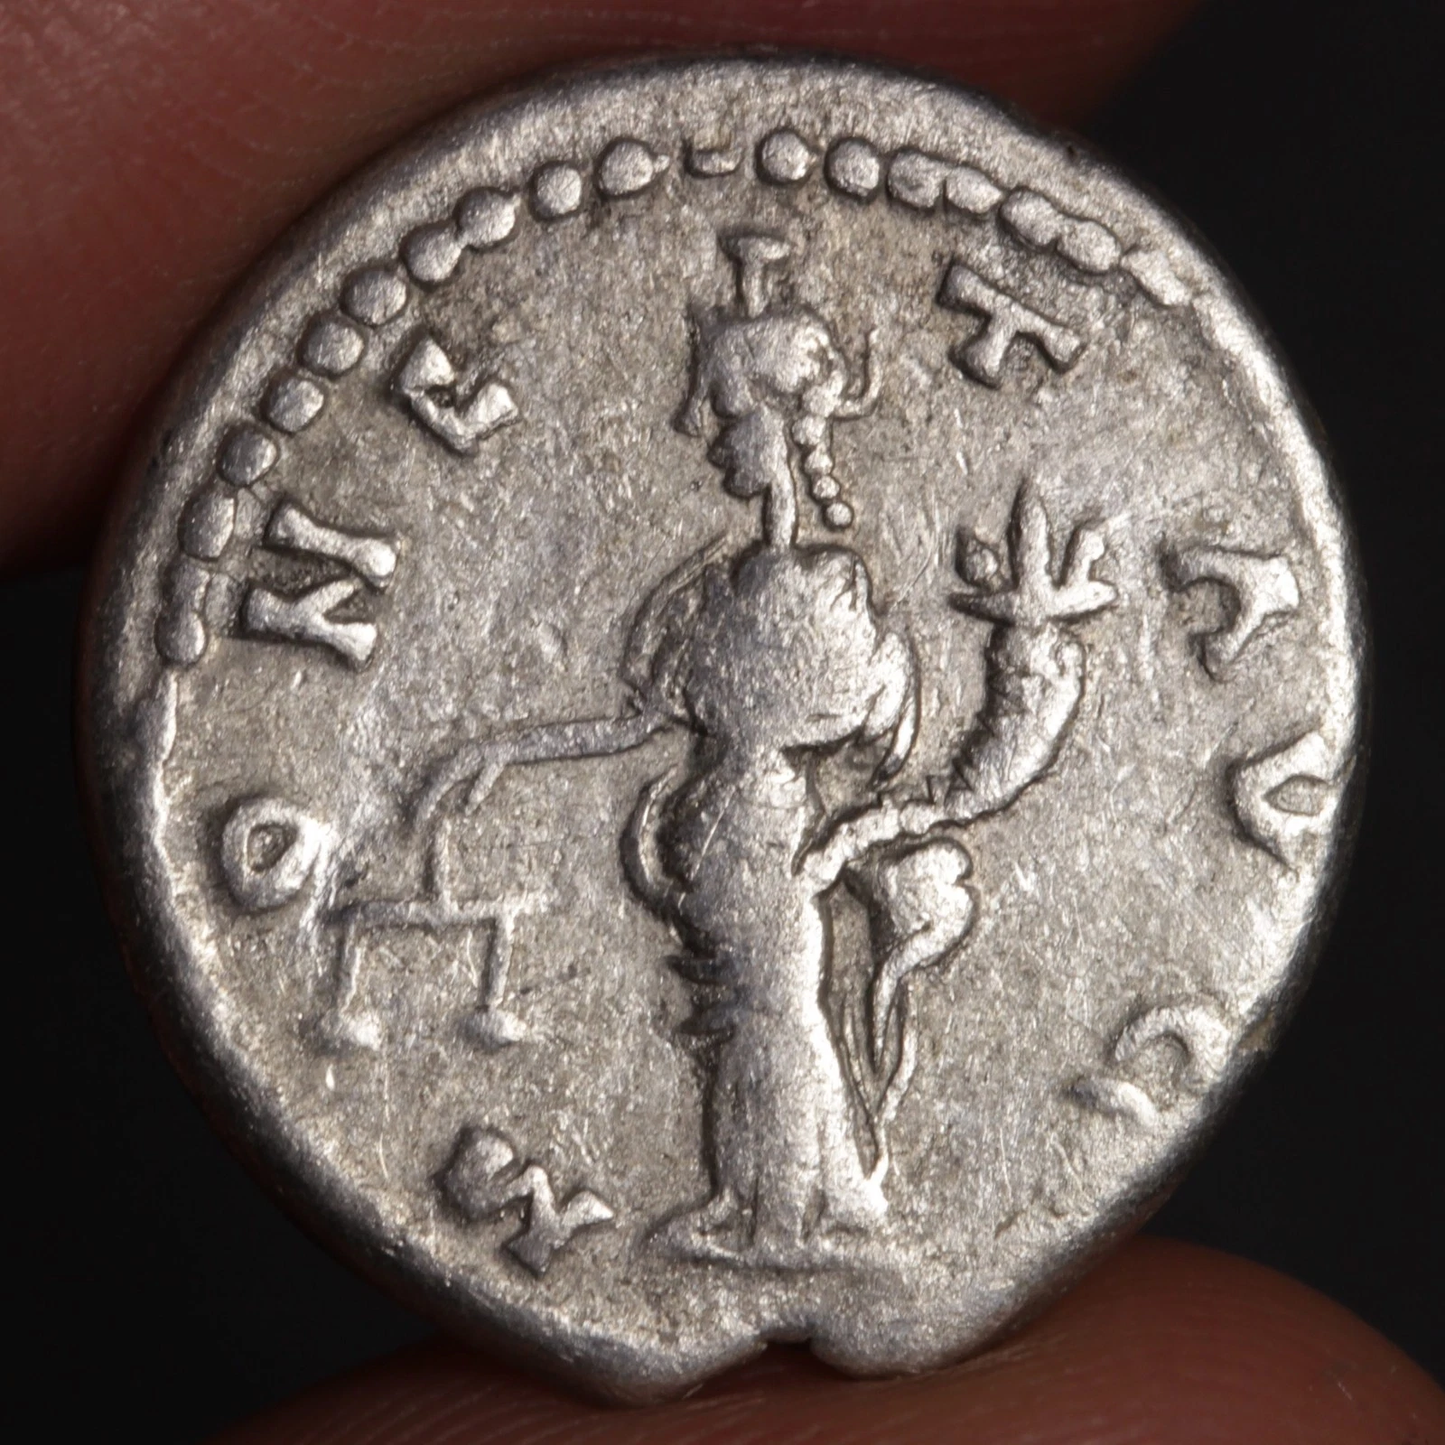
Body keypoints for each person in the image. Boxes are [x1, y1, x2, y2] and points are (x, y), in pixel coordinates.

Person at [3, 2, 1440, 1440]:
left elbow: (810, 734)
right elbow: (648, 723)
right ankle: (779, 1202)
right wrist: (484, 761)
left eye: (723, 408)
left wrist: (978, 718)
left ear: (774, 420)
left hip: (764, 843)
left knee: (770, 1012)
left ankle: (790, 1210)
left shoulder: (807, 593)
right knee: (760, 1010)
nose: (701, 429)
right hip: (736, 844)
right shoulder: (740, 587)